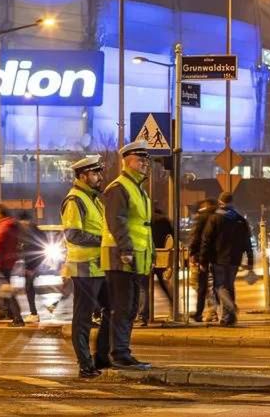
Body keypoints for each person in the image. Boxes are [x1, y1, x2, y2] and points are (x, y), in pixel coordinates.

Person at [101, 140, 154, 371]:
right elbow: (118, 222)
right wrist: (126, 250)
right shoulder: (119, 187)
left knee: (131, 307)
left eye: (145, 160)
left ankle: (122, 352)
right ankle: (119, 354)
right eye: (139, 159)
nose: (144, 164)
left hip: (135, 257)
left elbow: (142, 226)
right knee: (123, 307)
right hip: (120, 257)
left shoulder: (137, 188)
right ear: (126, 161)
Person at [61, 155, 111, 378]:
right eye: (95, 173)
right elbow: (73, 234)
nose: (99, 177)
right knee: (82, 318)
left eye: (99, 172)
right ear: (82, 176)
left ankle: (101, 357)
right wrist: (103, 240)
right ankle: (85, 364)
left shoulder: (92, 198)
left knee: (112, 310)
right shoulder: (75, 200)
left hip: (98, 266)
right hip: (83, 267)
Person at [199, 192, 254, 326]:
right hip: (235, 259)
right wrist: (250, 260)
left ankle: (230, 307)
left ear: (220, 202)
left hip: (218, 258)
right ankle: (228, 318)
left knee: (220, 286)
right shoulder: (240, 219)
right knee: (229, 286)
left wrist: (203, 260)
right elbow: (247, 241)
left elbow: (206, 240)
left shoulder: (215, 218)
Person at [139, 204, 174, 325]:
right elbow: (172, 236)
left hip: (147, 254)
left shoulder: (145, 219)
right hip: (162, 255)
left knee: (144, 286)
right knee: (163, 283)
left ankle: (144, 315)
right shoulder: (164, 219)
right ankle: (173, 304)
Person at [187, 198, 216, 322]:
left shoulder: (202, 217)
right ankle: (213, 311)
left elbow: (196, 236)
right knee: (214, 284)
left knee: (201, 285)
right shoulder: (219, 216)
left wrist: (192, 252)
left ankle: (202, 312)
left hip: (202, 255)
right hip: (218, 256)